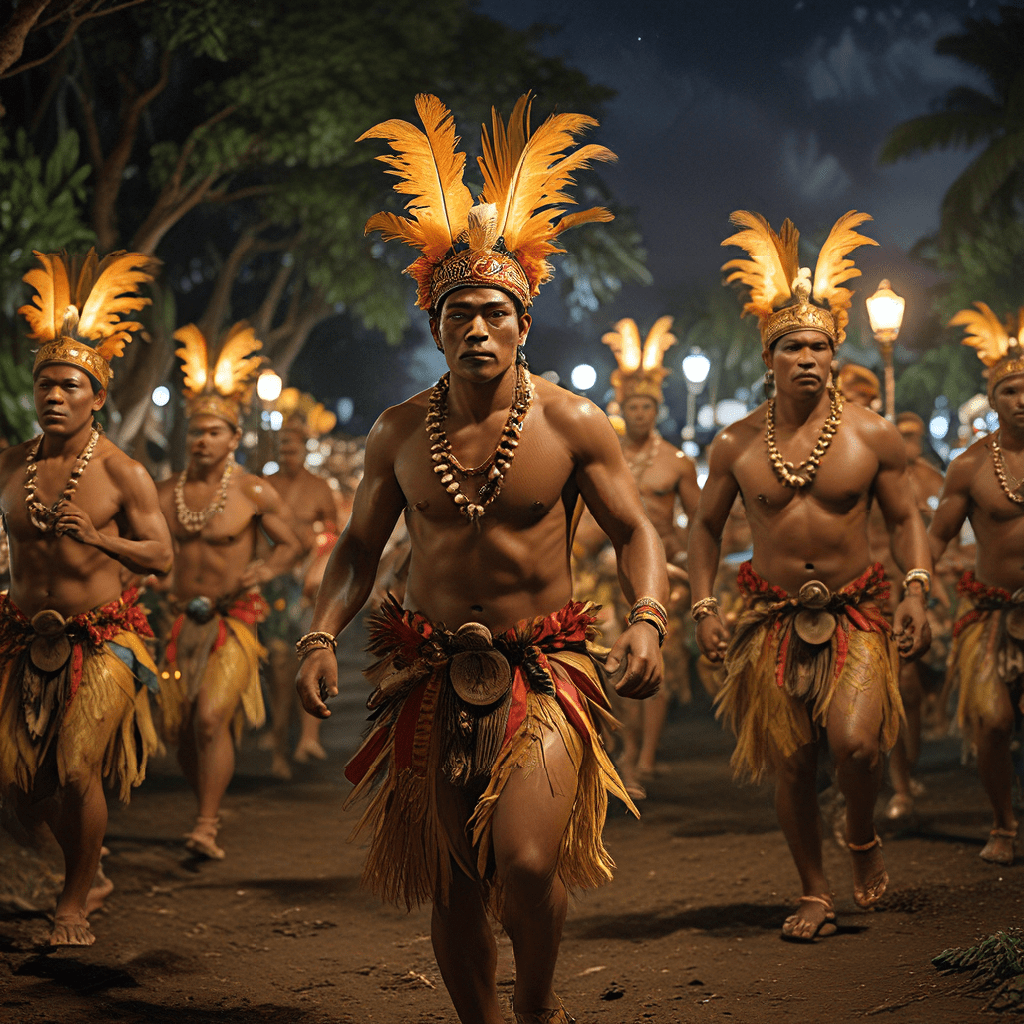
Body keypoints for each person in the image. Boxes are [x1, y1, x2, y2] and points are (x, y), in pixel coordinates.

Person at [296, 93, 667, 1024]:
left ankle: (536, 1006)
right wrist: (319, 634)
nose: (478, 330)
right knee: (456, 881)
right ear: (435, 326)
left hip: (542, 669)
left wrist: (651, 616)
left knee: (528, 861)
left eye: (496, 314)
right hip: (428, 669)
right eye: (459, 313)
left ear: (525, 325)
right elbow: (355, 547)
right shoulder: (394, 435)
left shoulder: (573, 426)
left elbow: (636, 533)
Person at [689, 210, 931, 943]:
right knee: (791, 763)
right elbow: (703, 528)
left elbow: (908, 518)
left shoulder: (871, 435)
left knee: (856, 745)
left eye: (819, 345)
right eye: (791, 345)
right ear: (770, 357)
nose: (807, 357)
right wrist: (703, 603)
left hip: (856, 611)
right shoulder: (734, 444)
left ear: (835, 352)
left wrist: (916, 585)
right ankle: (815, 891)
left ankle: (860, 836)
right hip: (770, 617)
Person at [0, 249, 171, 945]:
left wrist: (102, 541)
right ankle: (83, 869)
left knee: (76, 768)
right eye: (46, 384)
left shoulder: (123, 472)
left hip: (103, 639)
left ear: (97, 396)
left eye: (71, 386)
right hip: (21, 635)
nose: (54, 396)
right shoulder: (11, 464)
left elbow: (160, 556)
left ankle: (74, 900)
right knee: (18, 787)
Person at [156, 321, 300, 859]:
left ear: (234, 438)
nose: (202, 440)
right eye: (195, 431)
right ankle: (204, 803)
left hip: (233, 619)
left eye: (214, 432)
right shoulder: (164, 491)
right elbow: (144, 544)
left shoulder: (250, 491)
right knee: (182, 728)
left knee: (211, 717)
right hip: (176, 620)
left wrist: (264, 571)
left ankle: (207, 823)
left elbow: (292, 543)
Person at [928, 302, 1024, 866]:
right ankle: (1003, 823)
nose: (1022, 400)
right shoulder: (968, 465)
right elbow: (938, 534)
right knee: (991, 719)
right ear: (993, 399)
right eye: (1010, 391)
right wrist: (917, 585)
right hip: (990, 610)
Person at [598, 316, 701, 796]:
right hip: (604, 573)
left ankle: (645, 756)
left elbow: (698, 523)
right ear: (621, 406)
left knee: (655, 659)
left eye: (647, 406)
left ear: (656, 411)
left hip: (662, 575)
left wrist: (688, 572)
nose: (639, 413)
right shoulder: (605, 455)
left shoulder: (676, 463)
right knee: (610, 662)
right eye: (632, 405)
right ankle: (622, 748)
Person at [262, 391, 339, 778]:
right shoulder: (264, 484)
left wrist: (315, 559)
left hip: (308, 584)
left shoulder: (319, 487)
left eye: (294, 448)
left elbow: (333, 533)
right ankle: (277, 745)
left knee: (311, 655)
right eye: (283, 448)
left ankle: (310, 735)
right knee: (276, 663)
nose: (288, 454)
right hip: (273, 584)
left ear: (305, 450)